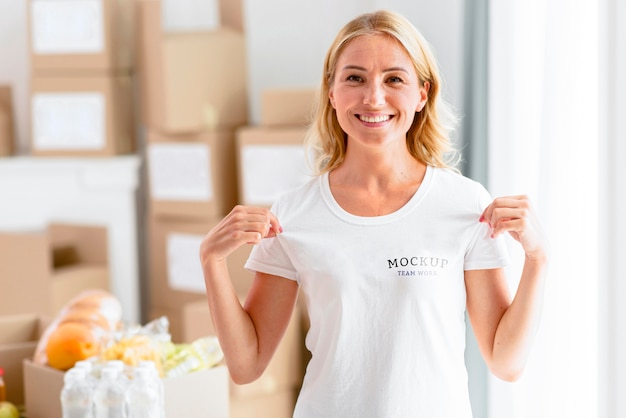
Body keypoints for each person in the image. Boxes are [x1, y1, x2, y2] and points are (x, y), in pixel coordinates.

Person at [200, 9, 548, 418]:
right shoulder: (295, 213)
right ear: (332, 92)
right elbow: (246, 365)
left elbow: (506, 363)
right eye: (354, 77)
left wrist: (538, 258)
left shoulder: (465, 205)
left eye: (394, 79)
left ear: (422, 93)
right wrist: (212, 260)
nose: (373, 97)